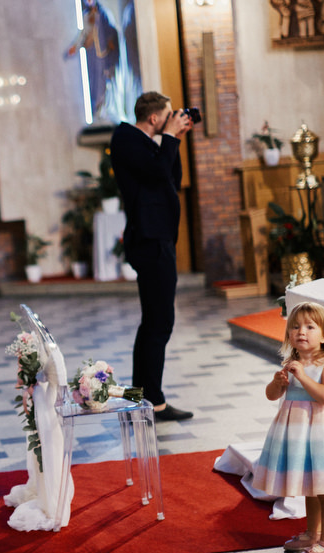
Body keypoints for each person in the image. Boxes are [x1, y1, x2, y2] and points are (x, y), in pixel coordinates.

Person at [249, 302, 324, 553]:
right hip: (297, 434)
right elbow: (271, 396)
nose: (301, 331)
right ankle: (312, 534)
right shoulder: (291, 363)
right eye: (295, 326)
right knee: (310, 488)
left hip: (321, 435)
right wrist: (277, 383)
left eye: (310, 327)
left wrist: (302, 377)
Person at [110, 91, 194, 422]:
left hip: (158, 238)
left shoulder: (150, 144)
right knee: (159, 323)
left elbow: (172, 179)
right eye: (169, 115)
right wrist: (169, 139)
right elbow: (158, 172)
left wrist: (175, 139)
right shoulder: (127, 139)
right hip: (149, 240)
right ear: (154, 118)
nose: (173, 119)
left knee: (154, 323)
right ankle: (153, 401)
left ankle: (140, 398)